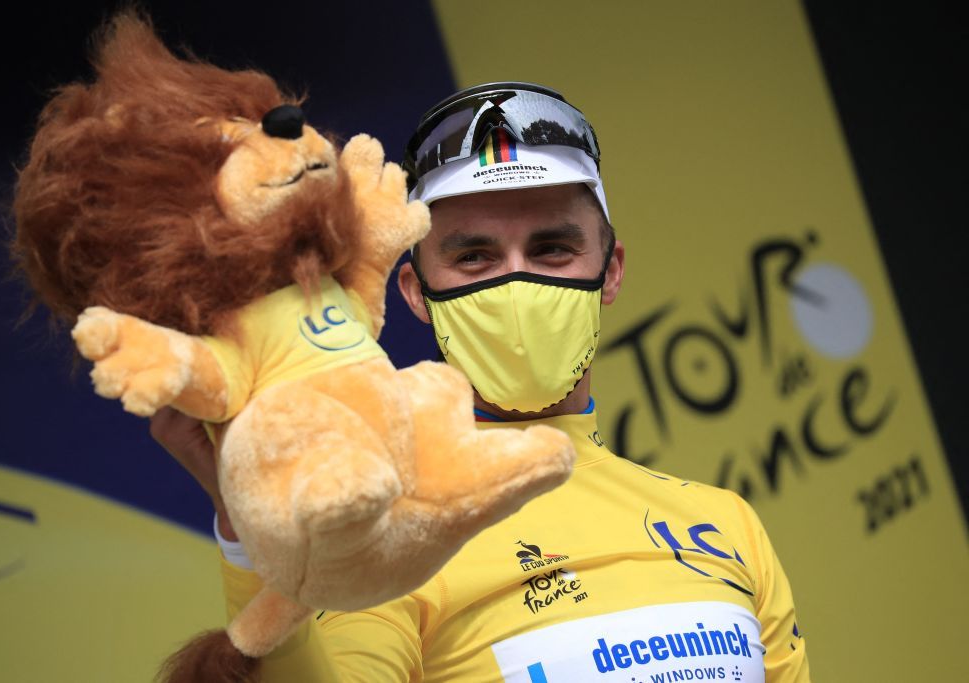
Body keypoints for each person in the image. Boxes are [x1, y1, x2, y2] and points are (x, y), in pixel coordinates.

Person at [152, 82, 811, 681]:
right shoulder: (391, 538)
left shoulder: (727, 524)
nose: (515, 280)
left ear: (610, 271)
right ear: (415, 291)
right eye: (475, 256)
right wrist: (247, 526)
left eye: (552, 247)